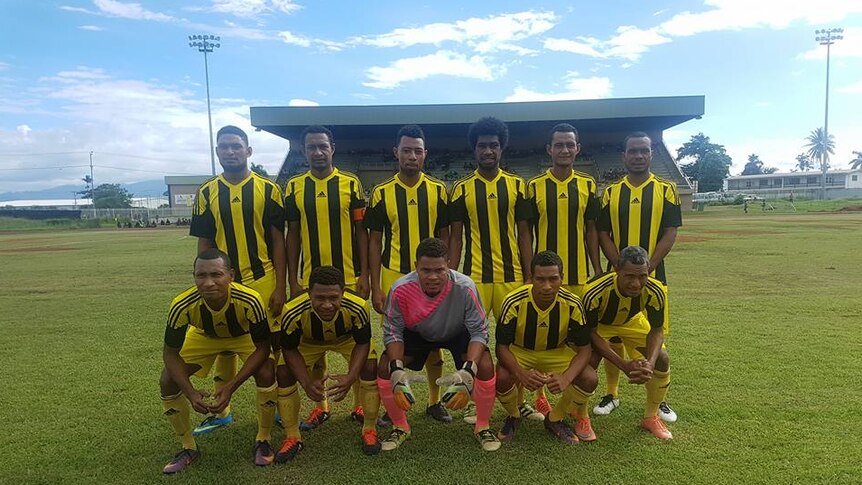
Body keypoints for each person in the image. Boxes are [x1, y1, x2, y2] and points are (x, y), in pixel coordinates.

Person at [189, 125, 286, 437]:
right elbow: (204, 242)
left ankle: (281, 406)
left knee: (272, 346)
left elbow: (278, 241)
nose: (230, 152)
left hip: (262, 278)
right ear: (217, 152)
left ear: (248, 151)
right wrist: (202, 282)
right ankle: (222, 412)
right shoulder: (206, 192)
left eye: (236, 146)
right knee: (222, 342)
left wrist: (281, 285)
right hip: (222, 283)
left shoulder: (268, 189)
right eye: (224, 147)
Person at [448, 117, 538, 421]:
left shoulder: (517, 186)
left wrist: (528, 275)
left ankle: (520, 402)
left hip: (513, 278)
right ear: (474, 149)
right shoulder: (461, 189)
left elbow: (525, 233)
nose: (488, 150)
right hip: (475, 279)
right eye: (483, 145)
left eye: (494, 145)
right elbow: (456, 236)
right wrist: (452, 274)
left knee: (517, 341)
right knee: (472, 342)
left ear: (502, 148)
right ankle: (477, 401)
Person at [376, 238, 500, 452]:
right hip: (418, 333)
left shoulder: (465, 287)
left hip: (456, 331)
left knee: (486, 364)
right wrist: (396, 369)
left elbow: (479, 331)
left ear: (449, 265)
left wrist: (468, 372)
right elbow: (393, 331)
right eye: (425, 270)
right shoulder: (400, 289)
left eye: (439, 270)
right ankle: (400, 427)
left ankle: (482, 426)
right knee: (385, 365)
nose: (432, 276)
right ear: (416, 267)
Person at [159, 249, 277, 473]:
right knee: (168, 380)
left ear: (231, 275)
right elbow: (170, 354)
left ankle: (264, 438)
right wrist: (191, 393)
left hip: (243, 337)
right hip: (204, 336)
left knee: (266, 371)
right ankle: (188, 447)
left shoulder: (250, 299)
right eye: (200, 276)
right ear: (194, 276)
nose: (208, 283)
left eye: (216, 274)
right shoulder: (181, 304)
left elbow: (263, 348)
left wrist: (231, 387)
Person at [283, 125, 369, 429]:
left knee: (356, 340)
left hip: (348, 276)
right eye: (311, 147)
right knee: (314, 342)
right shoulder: (293, 187)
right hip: (309, 280)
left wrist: (365, 274)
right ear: (303, 151)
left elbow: (362, 231)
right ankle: (321, 406)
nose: (317, 153)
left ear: (333, 147)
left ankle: (360, 405)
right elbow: (292, 234)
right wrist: (293, 280)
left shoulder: (351, 184)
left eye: (322, 146)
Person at [365, 124, 452, 423]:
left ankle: (434, 401)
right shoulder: (381, 192)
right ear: (396, 153)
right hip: (394, 276)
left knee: (434, 342)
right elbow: (374, 241)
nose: (412, 156)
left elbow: (445, 235)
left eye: (417, 151)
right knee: (395, 342)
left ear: (425, 154)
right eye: (406, 150)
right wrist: (376, 286)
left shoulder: (439, 190)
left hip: (431, 279)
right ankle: (396, 404)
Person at [595, 132, 681, 423]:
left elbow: (671, 232)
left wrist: (648, 268)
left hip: (653, 277)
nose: (638, 155)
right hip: (617, 278)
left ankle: (659, 402)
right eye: (633, 151)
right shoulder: (610, 193)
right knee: (614, 335)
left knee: (655, 338)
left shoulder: (667, 189)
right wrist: (620, 267)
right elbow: (602, 234)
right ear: (624, 155)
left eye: (644, 150)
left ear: (651, 154)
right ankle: (611, 392)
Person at [525, 123, 601, 416]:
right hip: (543, 278)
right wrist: (529, 272)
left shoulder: (588, 185)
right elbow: (526, 233)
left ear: (577, 149)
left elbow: (591, 230)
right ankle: (540, 392)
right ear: (549, 150)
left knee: (579, 340)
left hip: (579, 276)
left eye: (570, 144)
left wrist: (596, 268)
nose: (565, 150)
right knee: (538, 334)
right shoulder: (534, 186)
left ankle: (573, 403)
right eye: (559, 145)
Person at [274, 266, 381, 462]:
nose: (327, 304)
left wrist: (350, 377)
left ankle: (370, 428)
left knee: (369, 366)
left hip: (346, 339)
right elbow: (289, 349)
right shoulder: (291, 310)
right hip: (308, 342)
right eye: (319, 298)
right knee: (283, 372)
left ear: (343, 293)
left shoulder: (358, 306)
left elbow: (362, 342)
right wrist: (306, 382)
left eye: (333, 297)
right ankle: (292, 437)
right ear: (309, 294)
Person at [495, 251, 597, 444]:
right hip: (521, 351)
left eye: (553, 279)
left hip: (556, 351)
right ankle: (514, 415)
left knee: (589, 378)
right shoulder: (513, 301)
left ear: (562, 278)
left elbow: (585, 350)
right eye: (540, 279)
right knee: (502, 376)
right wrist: (520, 372)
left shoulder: (573, 304)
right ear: (531, 278)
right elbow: (501, 347)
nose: (547, 286)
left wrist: (566, 378)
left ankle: (555, 418)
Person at [582, 245, 674, 440]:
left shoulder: (655, 290)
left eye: (642, 276)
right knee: (587, 362)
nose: (636, 283)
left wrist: (649, 363)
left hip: (632, 321)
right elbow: (590, 333)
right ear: (617, 271)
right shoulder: (594, 291)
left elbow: (657, 330)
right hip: (600, 326)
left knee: (662, 359)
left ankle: (651, 416)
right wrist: (623, 365)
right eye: (629, 276)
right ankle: (580, 415)